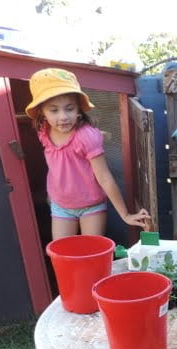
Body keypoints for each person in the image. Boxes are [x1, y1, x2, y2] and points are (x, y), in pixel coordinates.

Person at [25, 67, 151, 240]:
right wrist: (50, 194)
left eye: (69, 109)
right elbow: (59, 166)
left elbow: (105, 178)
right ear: (42, 113)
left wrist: (125, 215)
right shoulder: (44, 131)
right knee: (63, 253)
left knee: (91, 251)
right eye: (54, 110)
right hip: (61, 205)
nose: (63, 117)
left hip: (90, 206)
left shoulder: (85, 136)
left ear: (78, 109)